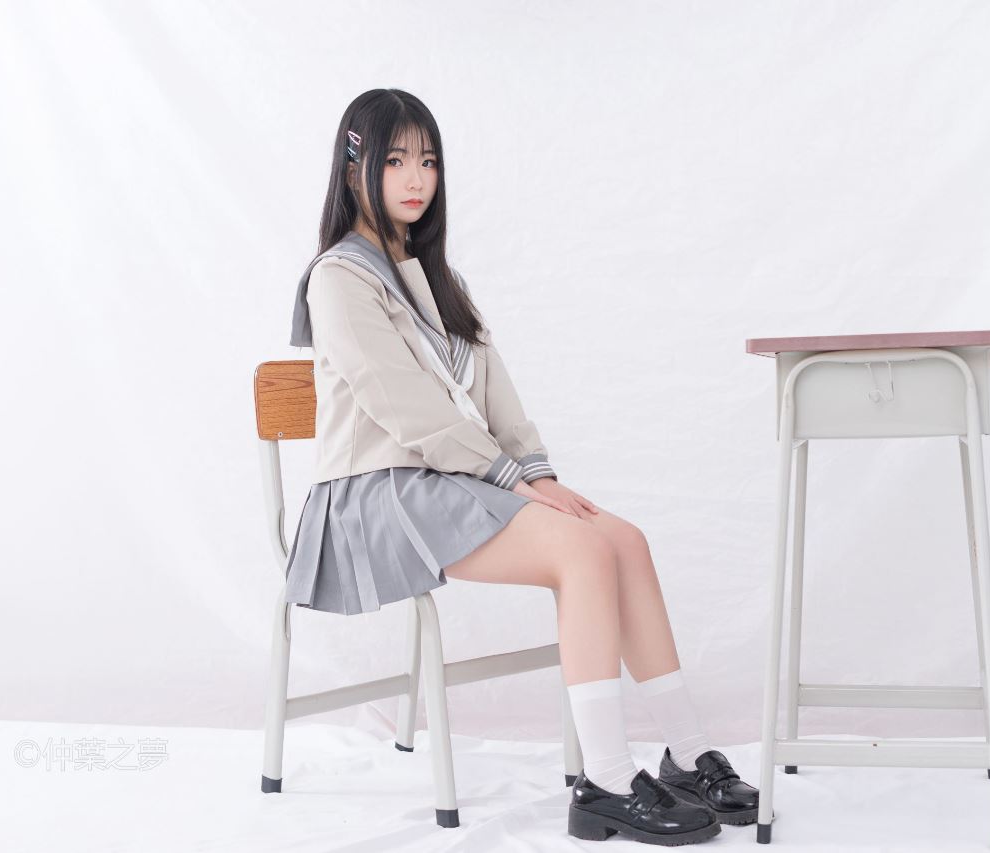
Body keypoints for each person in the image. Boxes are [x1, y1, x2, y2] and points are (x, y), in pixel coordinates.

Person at [285, 88, 759, 845]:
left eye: (428, 160)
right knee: (581, 551)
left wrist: (537, 474)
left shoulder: (436, 278)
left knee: (622, 539)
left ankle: (686, 751)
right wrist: (507, 480)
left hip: (444, 479)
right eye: (396, 160)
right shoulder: (338, 278)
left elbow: (495, 392)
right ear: (353, 171)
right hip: (371, 497)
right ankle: (606, 780)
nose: (416, 178)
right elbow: (405, 409)